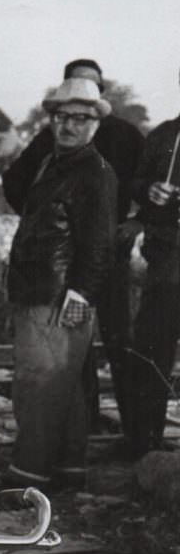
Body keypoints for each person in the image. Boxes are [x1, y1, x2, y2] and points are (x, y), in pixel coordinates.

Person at [2, 59, 144, 434]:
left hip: (106, 258)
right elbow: (15, 180)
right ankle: (83, 431)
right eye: (72, 88)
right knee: (70, 357)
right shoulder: (50, 141)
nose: (71, 122)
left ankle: (135, 432)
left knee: (117, 340)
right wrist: (46, 225)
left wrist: (136, 220)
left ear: (101, 96)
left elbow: (151, 184)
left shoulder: (127, 137)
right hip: (65, 263)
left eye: (89, 89)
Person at [3, 77, 117, 491]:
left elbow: (100, 242)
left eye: (81, 118)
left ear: (96, 123)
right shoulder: (54, 163)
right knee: (63, 390)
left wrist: (82, 292)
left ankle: (24, 480)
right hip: (39, 289)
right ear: (51, 120)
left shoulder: (96, 173)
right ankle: (69, 472)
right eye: (62, 117)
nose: (70, 125)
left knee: (39, 387)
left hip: (57, 294)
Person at [123, 85, 180, 457]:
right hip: (167, 261)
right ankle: (148, 448)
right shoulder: (162, 135)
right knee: (153, 350)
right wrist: (149, 191)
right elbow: (137, 182)